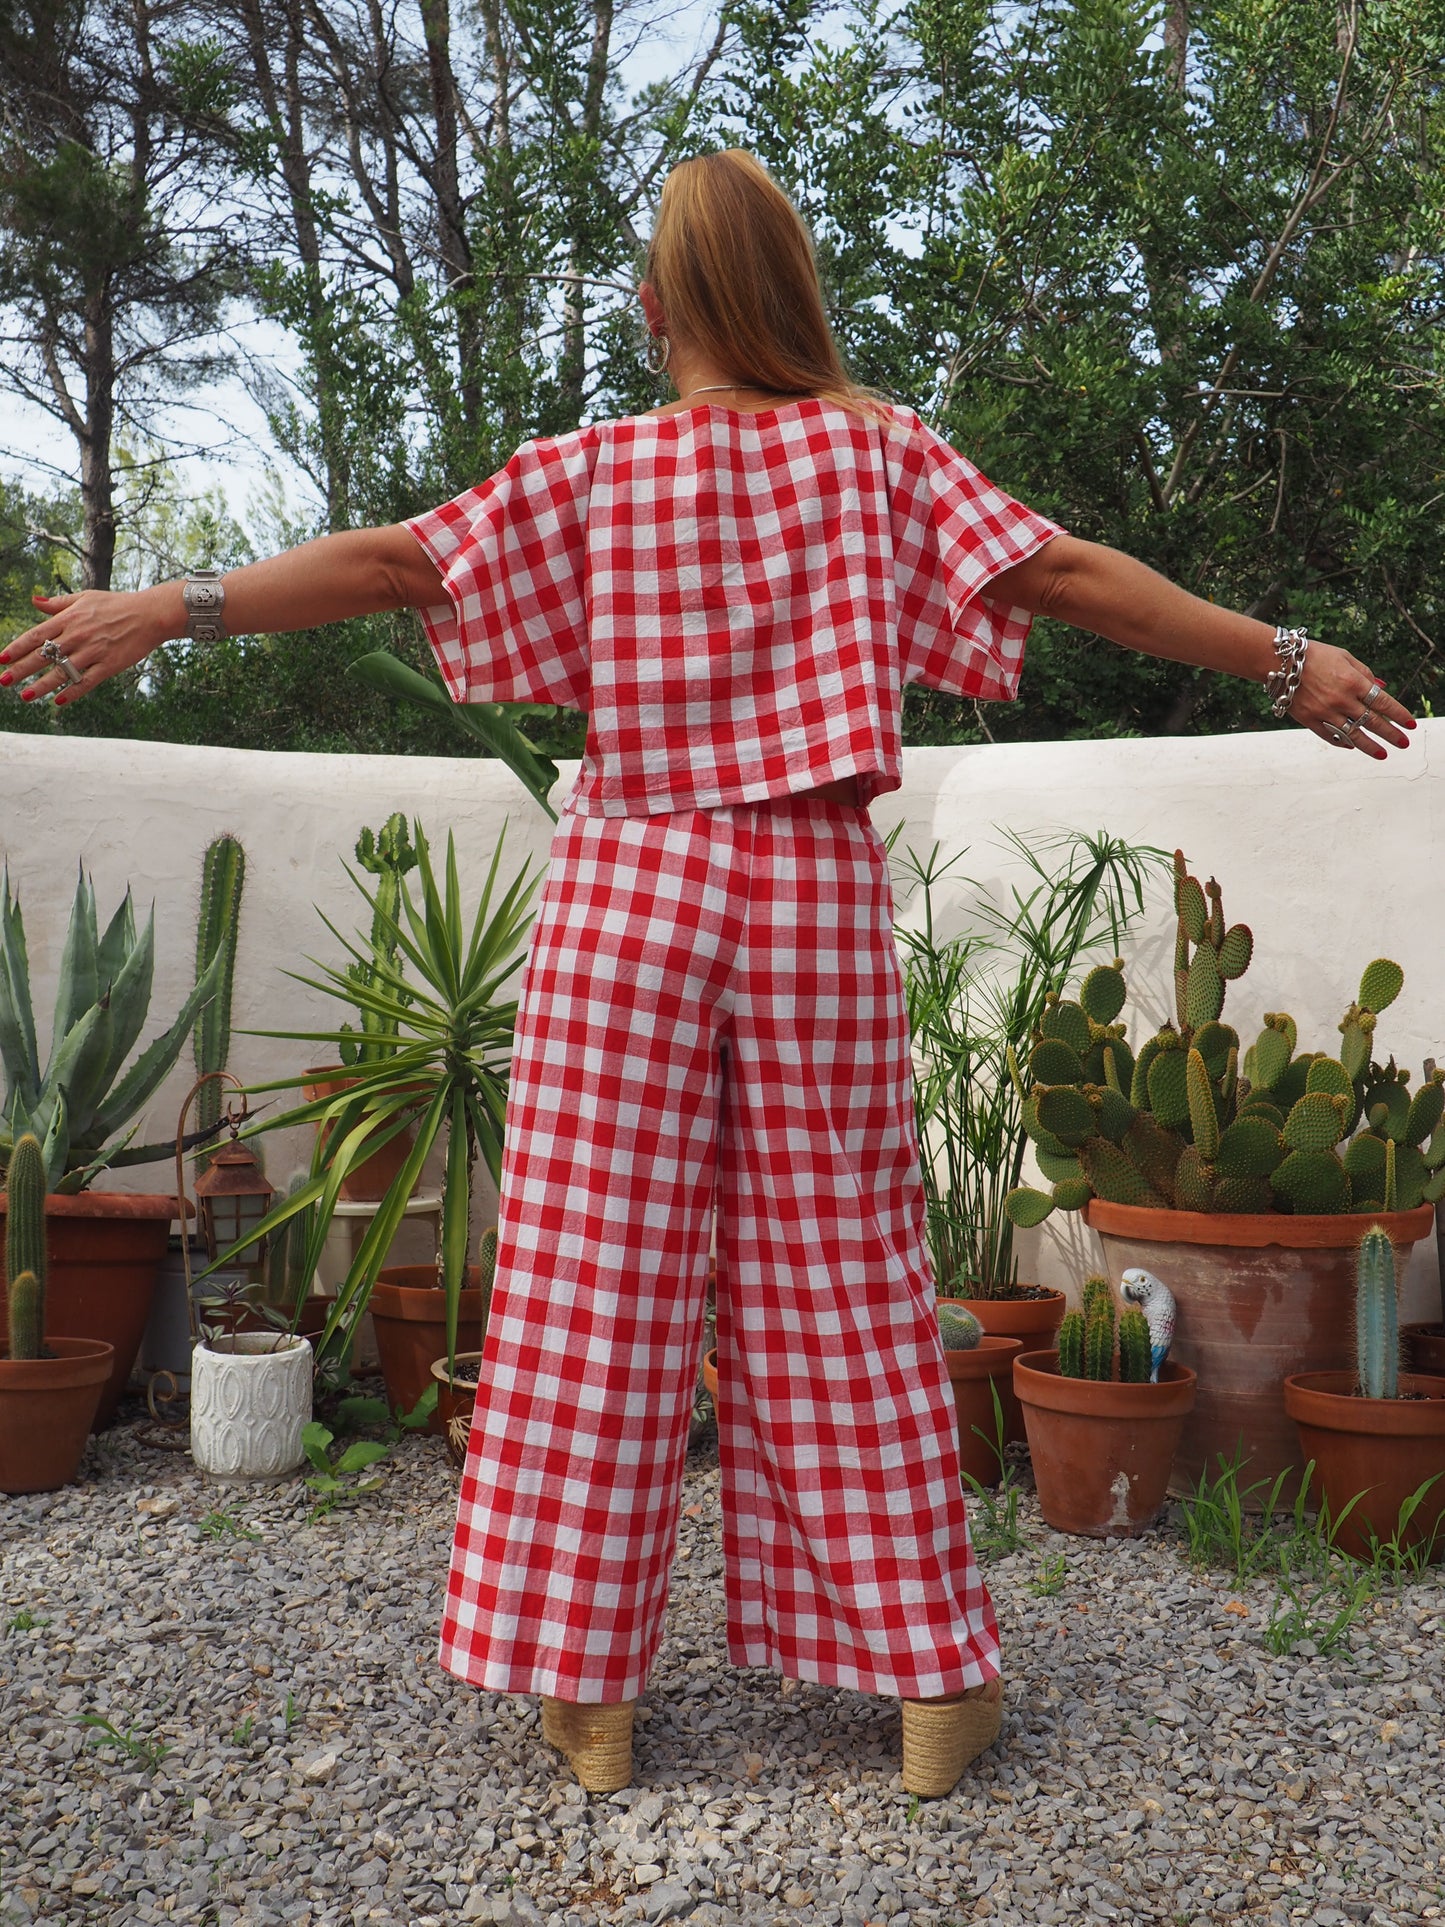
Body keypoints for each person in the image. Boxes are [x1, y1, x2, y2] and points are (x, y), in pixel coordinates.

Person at [2, 151, 1415, 1801]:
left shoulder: (590, 473)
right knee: (844, 1294)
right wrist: (1288, 659)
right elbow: (1065, 575)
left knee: (591, 1297)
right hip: (802, 891)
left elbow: (395, 565)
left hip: (627, 900)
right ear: (794, 295)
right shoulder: (877, 455)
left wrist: (162, 608)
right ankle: (927, 1688)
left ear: (656, 305)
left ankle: (588, 1698)